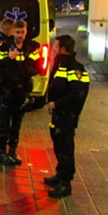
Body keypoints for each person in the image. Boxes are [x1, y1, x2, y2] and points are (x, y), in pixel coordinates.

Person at [0, 20, 41, 166]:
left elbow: (39, 66)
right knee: (3, 123)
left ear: (26, 32)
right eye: (17, 32)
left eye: (23, 32)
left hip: (23, 91)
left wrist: (28, 72)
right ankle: (1, 153)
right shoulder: (4, 46)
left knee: (16, 124)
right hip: (7, 90)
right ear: (13, 31)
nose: (20, 35)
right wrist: (9, 58)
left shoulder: (30, 48)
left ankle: (13, 151)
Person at [45, 35, 90, 198]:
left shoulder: (75, 68)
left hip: (67, 115)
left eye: (56, 47)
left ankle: (65, 184)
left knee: (65, 148)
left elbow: (77, 93)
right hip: (59, 114)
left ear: (63, 49)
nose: (54, 49)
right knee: (58, 145)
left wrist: (57, 104)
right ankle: (59, 176)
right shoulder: (61, 65)